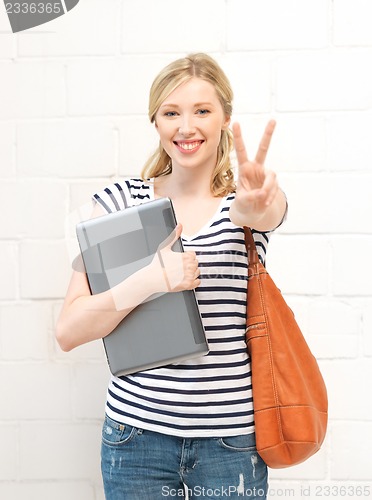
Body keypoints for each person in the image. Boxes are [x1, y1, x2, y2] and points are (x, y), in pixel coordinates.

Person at [56, 53, 287, 499]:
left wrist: (258, 201)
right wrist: (151, 280)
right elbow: (68, 331)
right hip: (134, 438)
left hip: (231, 444)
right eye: (171, 113)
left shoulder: (246, 206)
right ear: (155, 121)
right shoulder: (118, 204)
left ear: (225, 119)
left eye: (202, 111)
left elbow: (264, 210)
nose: (186, 127)